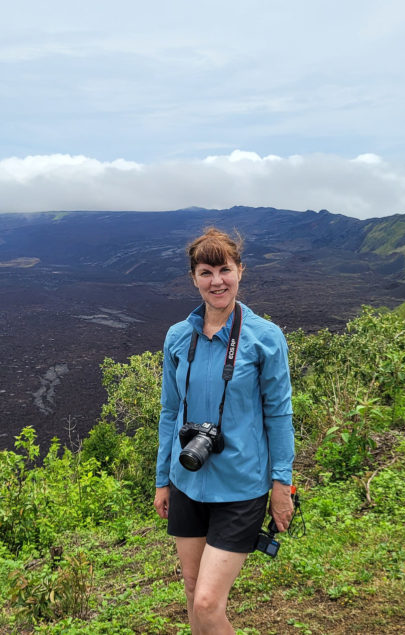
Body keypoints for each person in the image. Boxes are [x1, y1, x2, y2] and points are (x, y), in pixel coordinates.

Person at [153, 227, 295, 634]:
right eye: (205, 272)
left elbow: (279, 415)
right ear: (193, 278)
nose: (217, 281)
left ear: (240, 272)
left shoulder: (264, 338)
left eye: (224, 270)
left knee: (208, 602)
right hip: (188, 480)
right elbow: (169, 411)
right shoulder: (178, 337)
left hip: (241, 484)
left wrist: (281, 485)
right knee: (192, 589)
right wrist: (163, 479)